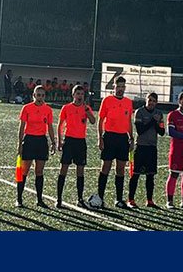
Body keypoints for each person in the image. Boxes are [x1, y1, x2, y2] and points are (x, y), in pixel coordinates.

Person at [96, 76, 134, 208]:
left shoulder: (128, 102)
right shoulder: (107, 100)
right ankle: (100, 198)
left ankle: (118, 199)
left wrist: (131, 138)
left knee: (121, 169)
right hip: (109, 137)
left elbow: (129, 121)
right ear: (114, 86)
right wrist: (100, 138)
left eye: (123, 87)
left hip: (123, 138)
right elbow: (100, 120)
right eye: (118, 87)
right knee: (105, 167)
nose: (120, 89)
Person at [16, 84, 56, 207]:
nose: (40, 97)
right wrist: (20, 143)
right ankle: (19, 199)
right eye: (38, 95)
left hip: (41, 142)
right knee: (23, 171)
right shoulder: (26, 108)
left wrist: (53, 142)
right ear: (33, 95)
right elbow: (22, 127)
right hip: (29, 141)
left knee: (39, 171)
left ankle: (39, 200)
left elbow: (49, 127)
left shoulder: (48, 110)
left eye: (42, 95)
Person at [56, 84, 93, 208]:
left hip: (81, 142)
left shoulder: (86, 108)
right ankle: (59, 198)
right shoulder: (66, 108)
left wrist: (87, 111)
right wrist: (59, 141)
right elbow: (60, 125)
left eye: (82, 94)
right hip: (69, 141)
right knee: (63, 170)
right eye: (78, 94)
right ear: (73, 95)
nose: (80, 96)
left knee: (80, 171)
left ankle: (80, 198)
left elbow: (93, 121)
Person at [128, 92, 166, 208]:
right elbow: (140, 130)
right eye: (150, 100)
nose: (151, 103)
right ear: (146, 100)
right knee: (136, 174)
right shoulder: (139, 112)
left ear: (156, 102)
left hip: (152, 147)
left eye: (154, 101)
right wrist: (153, 122)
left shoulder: (159, 114)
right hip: (140, 146)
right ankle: (131, 200)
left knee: (150, 175)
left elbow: (162, 132)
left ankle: (149, 200)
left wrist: (156, 123)